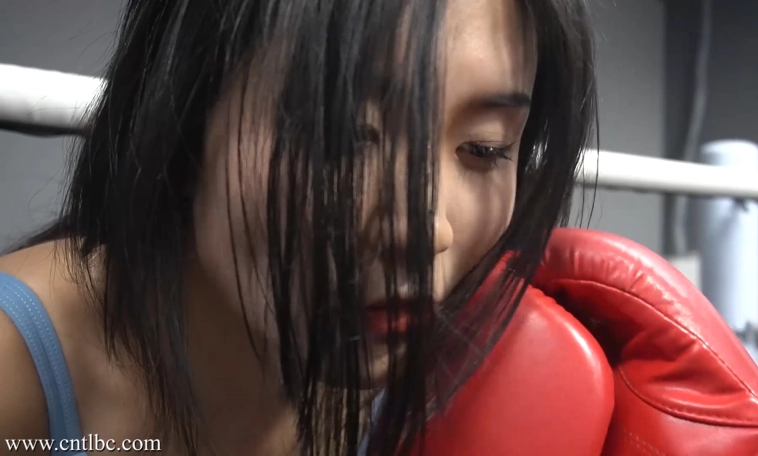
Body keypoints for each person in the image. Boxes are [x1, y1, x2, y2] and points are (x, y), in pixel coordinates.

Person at [0, 0, 597, 455]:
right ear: (184, 116)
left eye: (485, 148)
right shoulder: (14, 374)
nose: (426, 231)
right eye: (344, 135)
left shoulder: (437, 380)